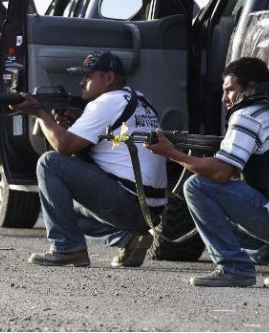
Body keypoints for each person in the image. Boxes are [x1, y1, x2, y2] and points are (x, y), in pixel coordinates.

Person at [145, 57, 269, 287]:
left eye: (229, 90)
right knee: (214, 215)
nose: (224, 98)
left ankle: (233, 267)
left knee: (196, 186)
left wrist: (172, 154)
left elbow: (222, 173)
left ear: (250, 87)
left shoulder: (248, 113)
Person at [11, 50, 168, 268]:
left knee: (50, 163)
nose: (81, 81)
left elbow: (63, 146)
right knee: (59, 206)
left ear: (108, 78)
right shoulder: (140, 99)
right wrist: (76, 119)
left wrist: (40, 114)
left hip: (130, 203)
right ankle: (129, 239)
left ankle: (67, 249)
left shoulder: (106, 102)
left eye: (88, 75)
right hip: (151, 209)